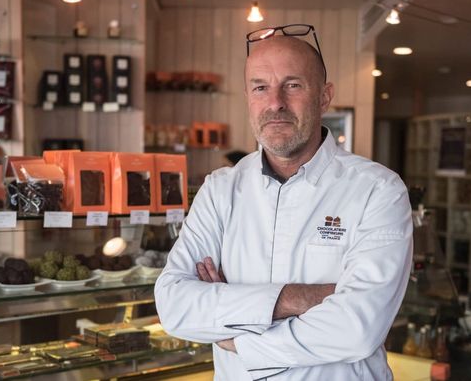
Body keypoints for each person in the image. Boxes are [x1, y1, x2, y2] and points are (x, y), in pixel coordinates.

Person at [155, 24, 413, 380]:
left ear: (324, 96)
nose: (275, 102)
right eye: (260, 87)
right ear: (249, 97)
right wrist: (295, 298)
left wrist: (235, 333)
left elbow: (357, 328)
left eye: (292, 85)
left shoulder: (378, 191)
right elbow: (175, 306)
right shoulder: (219, 190)